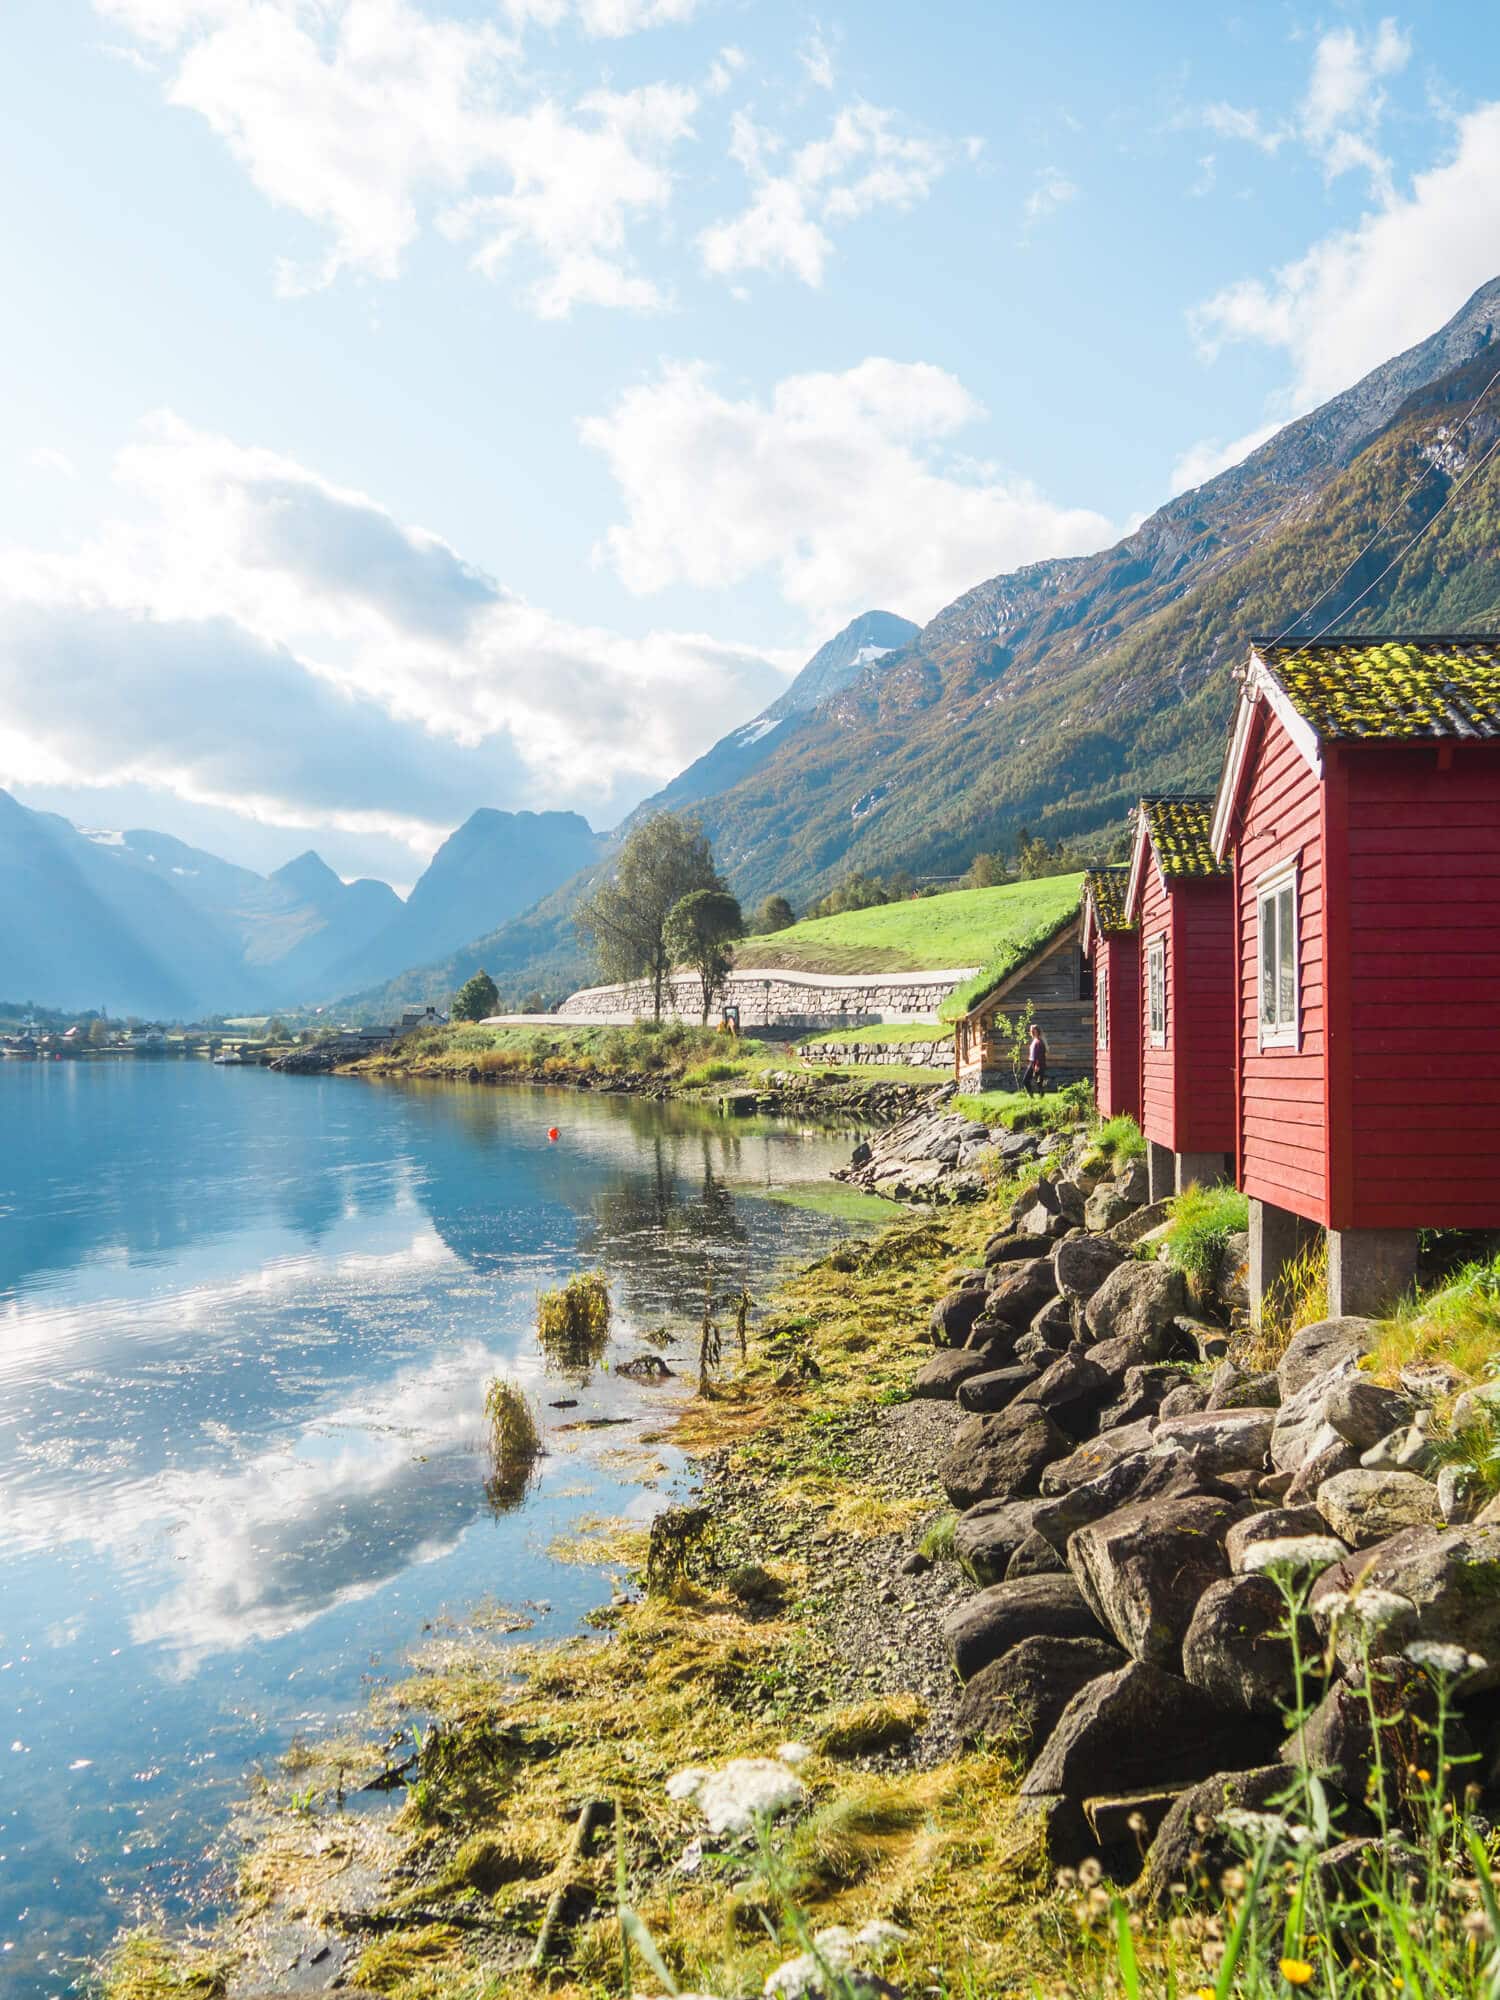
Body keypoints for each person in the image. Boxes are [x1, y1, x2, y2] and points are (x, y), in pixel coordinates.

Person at [1021, 1019, 1048, 1096]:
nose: (1032, 1032)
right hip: (1032, 1062)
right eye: (1031, 1030)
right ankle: (1032, 1096)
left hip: (1037, 1063)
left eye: (1034, 1030)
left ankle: (1039, 1097)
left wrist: (1037, 1065)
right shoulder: (1035, 1040)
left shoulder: (1039, 1041)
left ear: (1038, 1031)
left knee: (1037, 1081)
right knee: (1029, 1080)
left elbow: (1040, 1055)